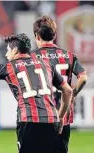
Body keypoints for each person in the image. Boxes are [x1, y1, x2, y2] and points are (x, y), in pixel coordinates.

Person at [31, 16, 88, 153]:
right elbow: (83, 78)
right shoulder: (69, 56)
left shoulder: (31, 57)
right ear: (54, 35)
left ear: (36, 36)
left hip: (40, 115)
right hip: (63, 114)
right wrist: (73, 93)